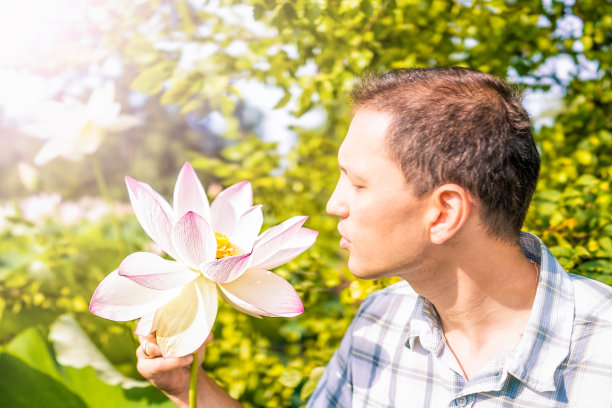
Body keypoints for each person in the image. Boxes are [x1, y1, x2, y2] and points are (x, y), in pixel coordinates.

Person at [136, 67, 612, 407]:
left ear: (444, 212)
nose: (333, 205)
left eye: (358, 183)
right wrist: (188, 384)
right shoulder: (378, 320)